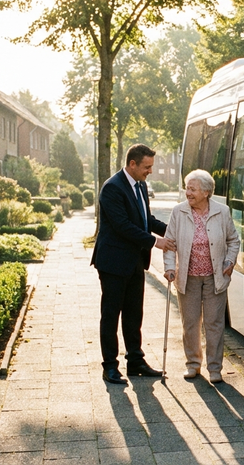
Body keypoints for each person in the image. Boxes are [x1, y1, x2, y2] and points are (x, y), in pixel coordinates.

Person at [91, 143, 176, 385]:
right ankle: (109, 367)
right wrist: (156, 242)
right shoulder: (112, 188)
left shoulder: (140, 185)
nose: (150, 171)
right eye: (147, 167)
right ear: (132, 164)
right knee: (111, 315)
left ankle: (135, 362)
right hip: (114, 263)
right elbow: (123, 226)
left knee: (133, 314)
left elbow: (145, 219)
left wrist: (172, 231)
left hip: (135, 261)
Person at [163, 169, 240, 384]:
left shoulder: (222, 212)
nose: (188, 192)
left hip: (216, 276)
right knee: (190, 324)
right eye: (187, 188)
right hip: (188, 277)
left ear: (206, 192)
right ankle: (193, 365)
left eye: (192, 189)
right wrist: (170, 268)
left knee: (214, 324)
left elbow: (234, 240)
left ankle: (215, 368)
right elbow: (169, 244)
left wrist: (230, 261)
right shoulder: (179, 212)